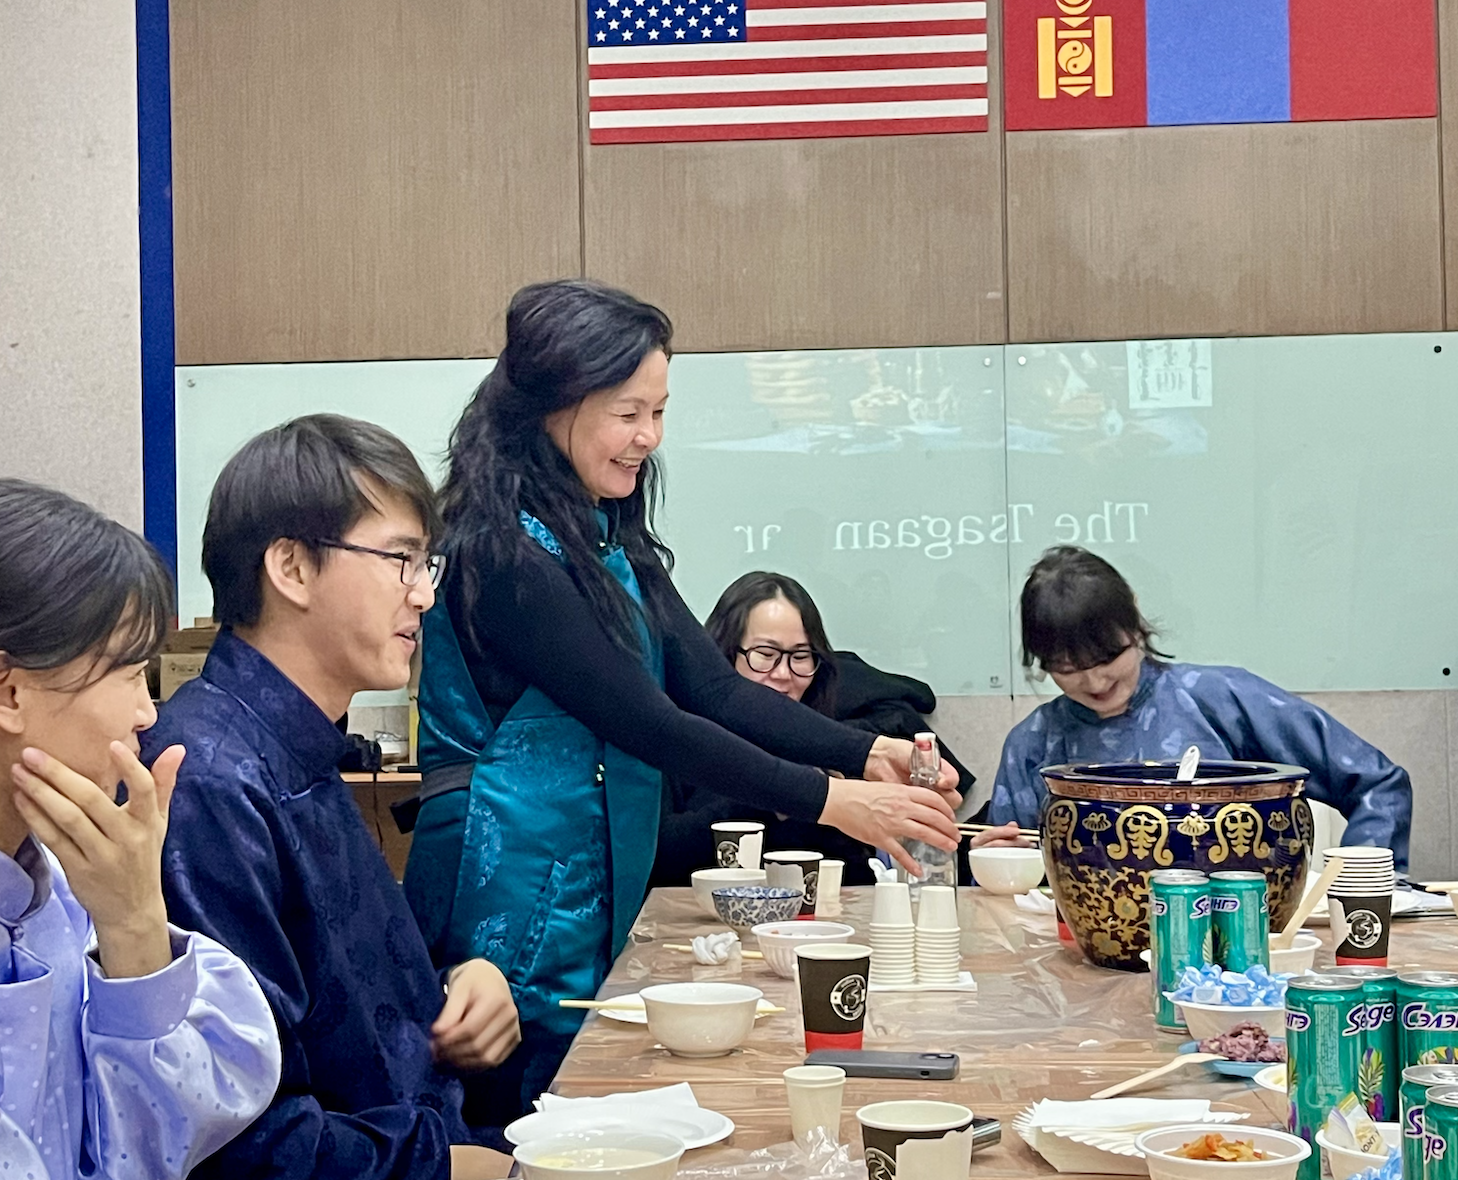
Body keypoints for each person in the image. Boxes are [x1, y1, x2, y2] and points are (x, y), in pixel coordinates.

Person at [403, 279, 960, 1115]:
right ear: (556, 400)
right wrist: (837, 802)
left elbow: (709, 688)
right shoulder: (502, 553)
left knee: (577, 1091)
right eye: (629, 412)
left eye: (659, 413)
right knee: (512, 1103)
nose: (648, 438)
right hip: (507, 870)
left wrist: (866, 751)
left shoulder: (606, 533)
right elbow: (651, 722)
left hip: (583, 863)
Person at [0, 479, 452, 1180]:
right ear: (11, 693)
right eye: (130, 673)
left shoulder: (49, 891)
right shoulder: (213, 774)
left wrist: (137, 926)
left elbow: (159, 1139)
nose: (148, 714)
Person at [115, 417, 512, 1180]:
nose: (424, 595)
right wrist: (442, 1161)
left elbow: (342, 1022)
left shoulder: (294, 747)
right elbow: (234, 1153)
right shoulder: (210, 781)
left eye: (424, 563)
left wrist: (451, 998)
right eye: (399, 559)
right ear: (292, 567)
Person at [987, 546, 1413, 867]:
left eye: (1108, 658)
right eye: (1069, 668)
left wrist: (1357, 888)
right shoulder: (1033, 743)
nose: (1096, 682)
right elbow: (1015, 876)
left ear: (1133, 621)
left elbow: (1376, 784)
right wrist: (996, 861)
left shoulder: (1220, 698)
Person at [652, 570, 977, 887]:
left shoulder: (835, 741)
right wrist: (784, 797)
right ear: (721, 657)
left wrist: (972, 853)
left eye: (801, 656)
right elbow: (661, 858)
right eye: (765, 654)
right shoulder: (679, 734)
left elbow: (879, 865)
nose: (783, 673)